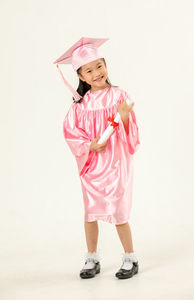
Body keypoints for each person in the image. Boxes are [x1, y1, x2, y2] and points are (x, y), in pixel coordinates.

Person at [53, 37, 140, 279]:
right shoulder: (80, 105)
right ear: (81, 76)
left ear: (106, 65)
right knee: (90, 213)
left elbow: (131, 129)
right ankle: (92, 258)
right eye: (89, 70)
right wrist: (89, 144)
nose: (96, 73)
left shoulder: (119, 95)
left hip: (116, 164)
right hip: (92, 166)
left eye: (99, 66)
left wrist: (123, 116)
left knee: (119, 212)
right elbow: (71, 132)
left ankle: (130, 258)